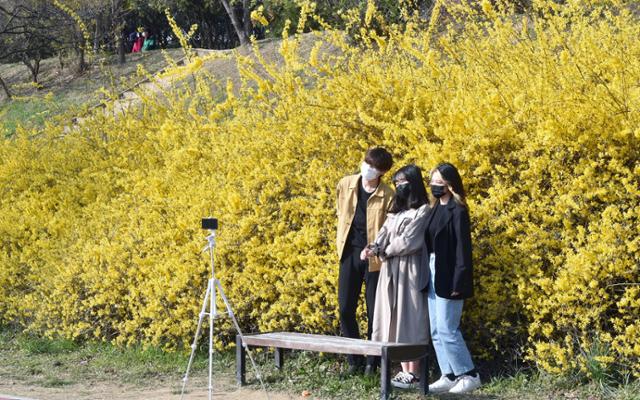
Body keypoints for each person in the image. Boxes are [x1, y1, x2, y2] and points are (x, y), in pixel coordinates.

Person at [361, 164, 430, 389]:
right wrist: (373, 247)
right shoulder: (396, 210)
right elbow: (383, 233)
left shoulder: (423, 210)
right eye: (397, 182)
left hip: (410, 268)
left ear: (414, 183)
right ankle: (403, 371)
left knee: (410, 315)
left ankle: (415, 372)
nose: (400, 186)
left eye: (404, 182)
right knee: (392, 318)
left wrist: (385, 251)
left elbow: (410, 241)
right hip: (389, 269)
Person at [336, 147, 394, 375]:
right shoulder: (346, 184)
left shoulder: (388, 194)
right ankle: (354, 359)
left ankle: (372, 361)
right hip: (349, 253)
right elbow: (341, 213)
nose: (368, 168)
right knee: (345, 308)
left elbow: (389, 228)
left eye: (374, 167)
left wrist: (375, 247)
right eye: (366, 163)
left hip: (375, 258)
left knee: (374, 312)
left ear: (382, 172)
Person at [424, 162, 481, 394]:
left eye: (440, 182)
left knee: (448, 327)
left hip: (449, 271)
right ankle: (448, 374)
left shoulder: (458, 211)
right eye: (433, 182)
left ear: (450, 184)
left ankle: (469, 374)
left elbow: (462, 250)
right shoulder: (434, 208)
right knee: (436, 329)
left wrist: (460, 280)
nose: (436, 186)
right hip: (432, 268)